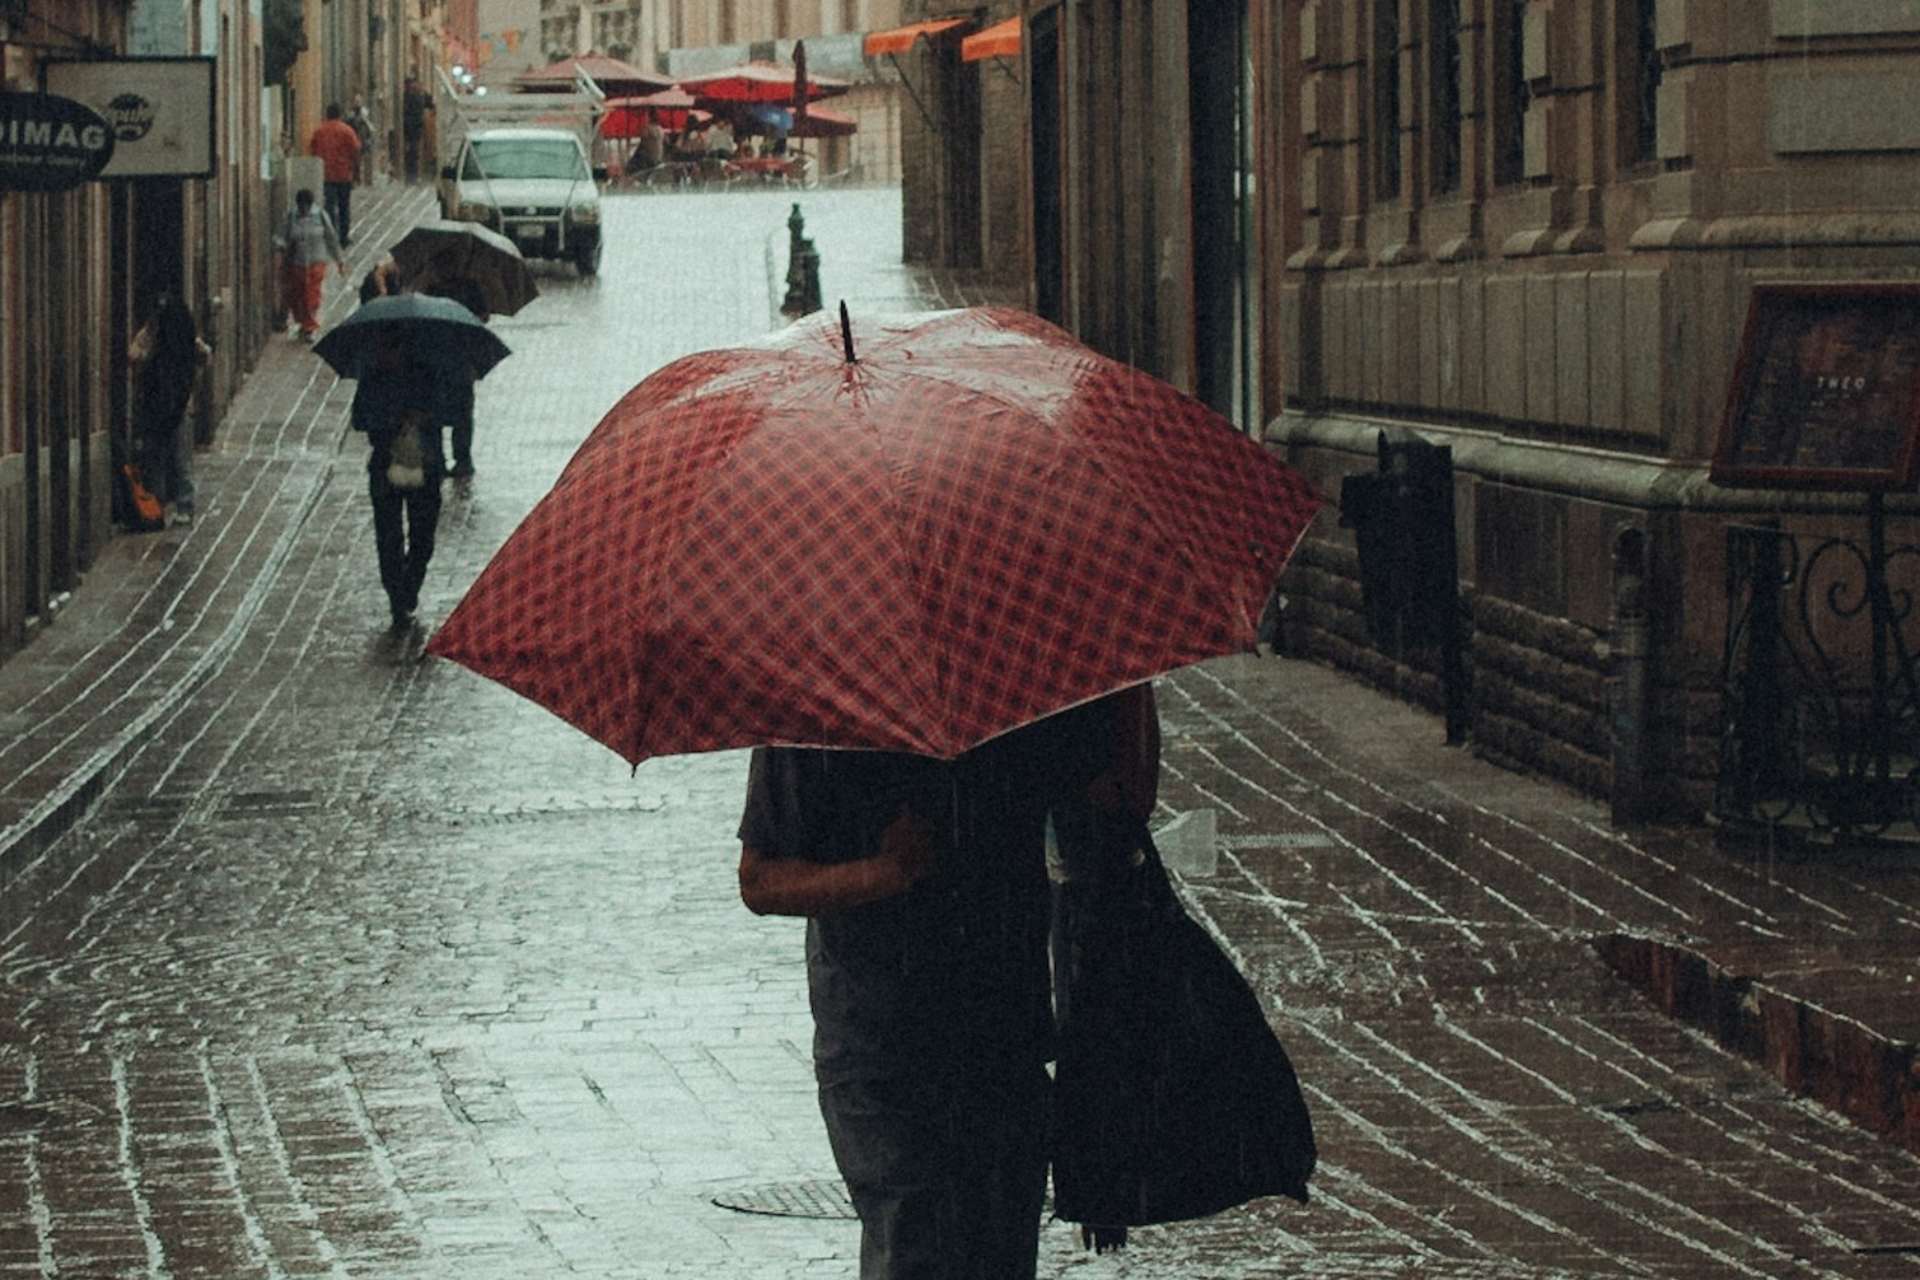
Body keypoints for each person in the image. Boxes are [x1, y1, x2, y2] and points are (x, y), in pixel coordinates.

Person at [736, 688, 1157, 1279]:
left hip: (1004, 1034)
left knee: (998, 1256)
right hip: (882, 1042)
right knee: (916, 1249)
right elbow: (761, 880)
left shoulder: (1017, 682)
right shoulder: (820, 697)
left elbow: (1121, 800)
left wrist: (1129, 685)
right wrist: (886, 873)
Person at [351, 344, 459, 632]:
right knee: (388, 538)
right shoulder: (373, 378)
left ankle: (409, 585)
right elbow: (359, 419)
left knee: (423, 536)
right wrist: (390, 422)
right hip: (385, 468)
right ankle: (397, 597)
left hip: (426, 466)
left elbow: (450, 412)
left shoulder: (430, 373)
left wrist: (422, 417)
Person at [127, 291, 212, 528]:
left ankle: (171, 507)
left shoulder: (179, 337)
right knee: (168, 459)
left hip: (173, 407)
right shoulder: (154, 334)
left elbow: (134, 356)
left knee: (170, 459)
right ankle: (168, 507)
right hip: (168, 406)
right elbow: (205, 355)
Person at [419, 278, 486, 477]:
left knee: (453, 414)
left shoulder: (464, 288)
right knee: (452, 414)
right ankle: (451, 459)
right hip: (451, 361)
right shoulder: (438, 289)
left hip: (449, 361)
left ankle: (454, 459)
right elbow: (483, 316)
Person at [273, 188, 347, 341]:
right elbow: (281, 236)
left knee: (311, 292)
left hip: (316, 261)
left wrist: (339, 260)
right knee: (298, 293)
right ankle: (303, 322)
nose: (304, 210)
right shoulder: (291, 216)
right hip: (297, 261)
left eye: (306, 207)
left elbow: (331, 238)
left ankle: (309, 327)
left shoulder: (320, 215)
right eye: (301, 207)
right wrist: (280, 251)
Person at [310, 103, 363, 247]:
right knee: (344, 206)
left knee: (328, 207)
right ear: (340, 115)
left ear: (327, 114)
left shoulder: (319, 131)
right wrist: (357, 173)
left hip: (326, 175)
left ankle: (330, 236)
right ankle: (343, 237)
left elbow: (313, 152)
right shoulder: (347, 131)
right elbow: (356, 152)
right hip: (344, 175)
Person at [402, 74, 432, 183]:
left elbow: (430, 103)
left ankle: (413, 175)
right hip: (409, 128)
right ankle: (411, 175)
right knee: (411, 152)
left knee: (414, 152)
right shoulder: (408, 96)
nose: (413, 86)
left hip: (416, 127)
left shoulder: (419, 96)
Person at [347, 94, 378, 184]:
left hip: (361, 139)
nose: (357, 103)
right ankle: (356, 178)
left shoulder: (365, 113)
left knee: (358, 159)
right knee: (355, 160)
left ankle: (358, 178)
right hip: (354, 139)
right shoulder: (351, 114)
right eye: (356, 101)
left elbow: (369, 128)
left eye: (359, 101)